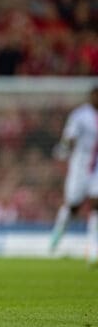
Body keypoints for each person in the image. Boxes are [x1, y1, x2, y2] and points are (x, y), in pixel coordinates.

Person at [49, 86, 98, 265]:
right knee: (73, 207)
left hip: (97, 168)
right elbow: (70, 137)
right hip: (80, 167)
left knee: (96, 203)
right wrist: (65, 148)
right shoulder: (80, 116)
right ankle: (58, 232)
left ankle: (94, 249)